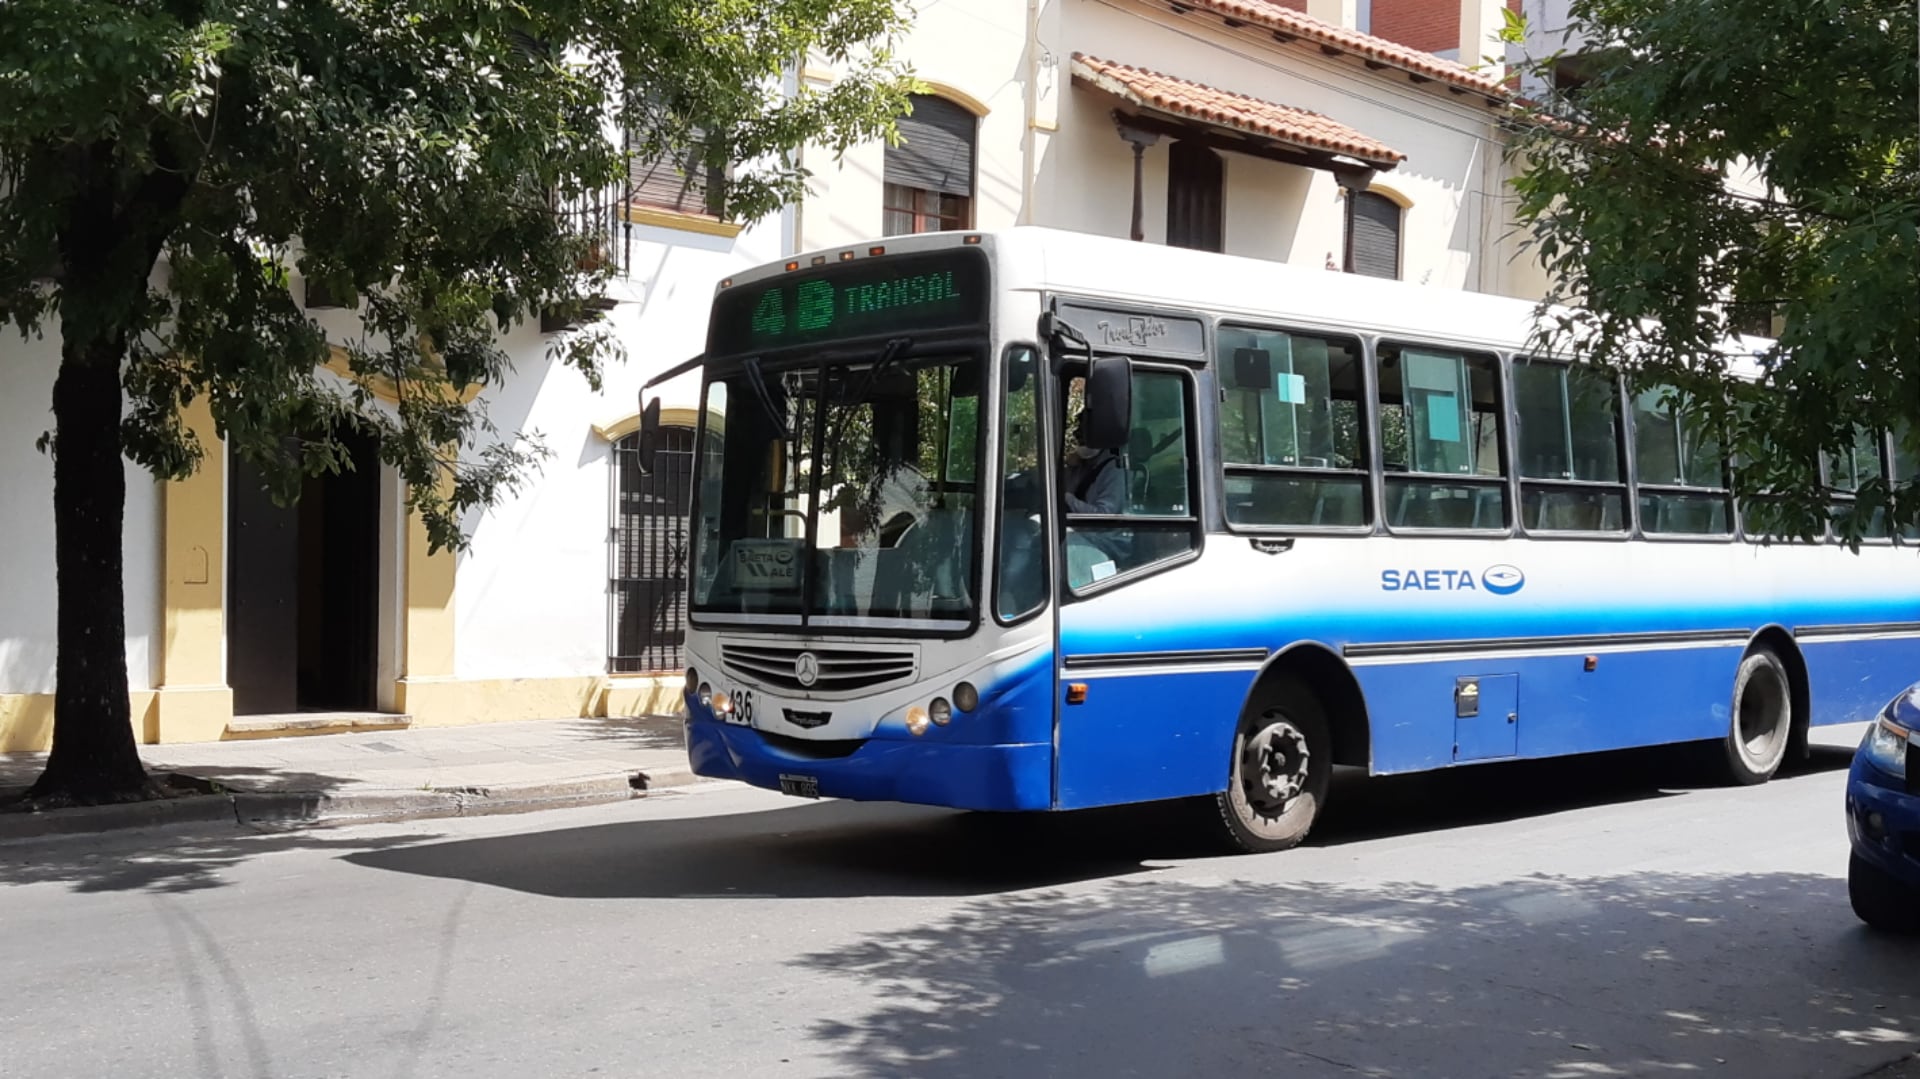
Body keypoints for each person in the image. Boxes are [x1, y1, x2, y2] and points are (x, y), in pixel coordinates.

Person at [1063, 410, 1125, 516]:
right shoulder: (1080, 465)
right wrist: (1067, 469)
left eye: (1083, 430)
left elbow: (1105, 515)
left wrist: (1067, 498)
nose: (1076, 434)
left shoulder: (1114, 470)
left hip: (1097, 532)